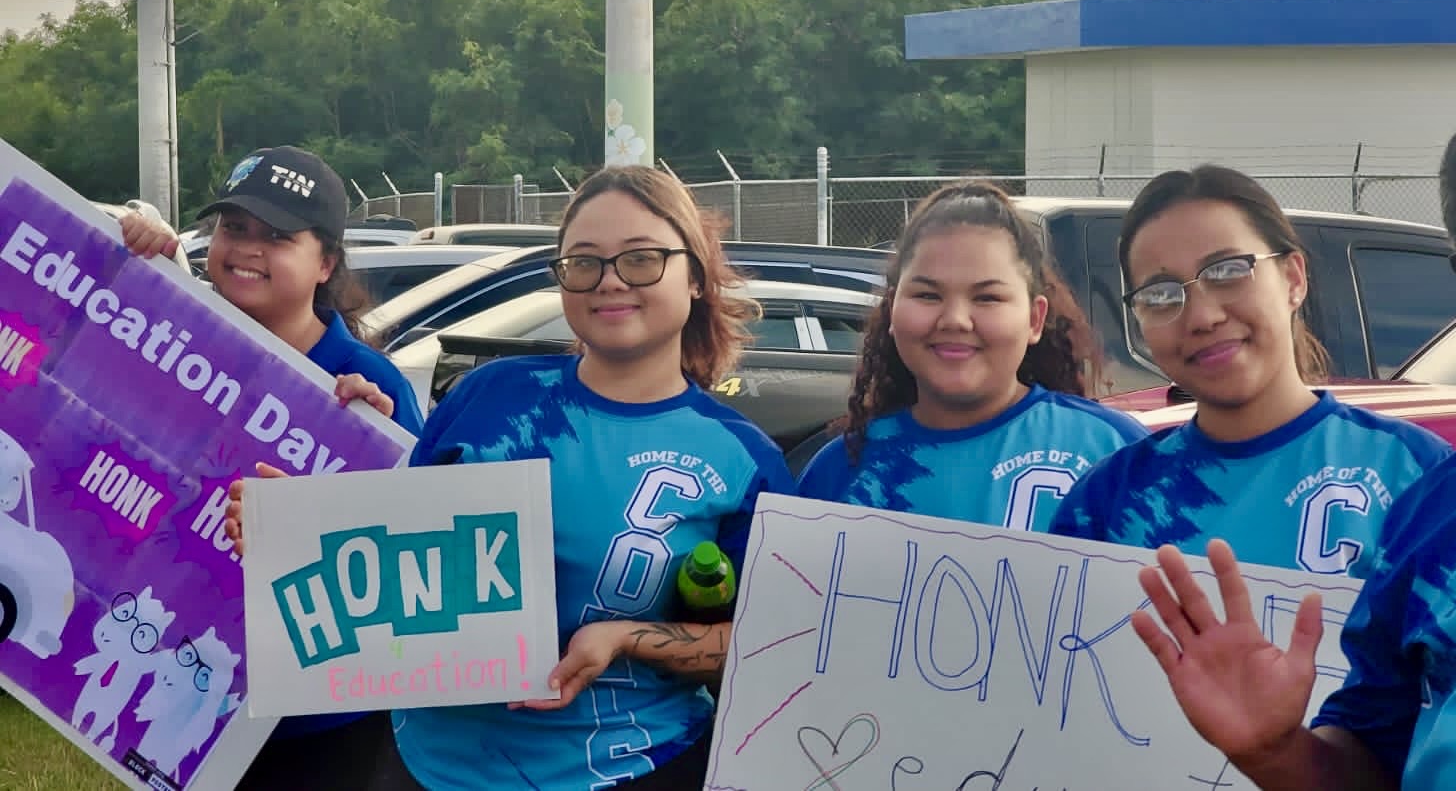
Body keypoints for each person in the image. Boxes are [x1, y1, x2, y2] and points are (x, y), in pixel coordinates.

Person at [230, 165, 793, 790]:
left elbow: (771, 647)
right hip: (427, 769)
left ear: (695, 276)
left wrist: (628, 638)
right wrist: (296, 524)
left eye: (641, 259)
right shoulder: (491, 395)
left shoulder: (741, 458)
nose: (609, 280)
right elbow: (400, 557)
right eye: (584, 262)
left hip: (629, 770)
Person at [1127, 80, 1456, 789]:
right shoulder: (1439, 509)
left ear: (1293, 279)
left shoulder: (1401, 462)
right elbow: (1370, 762)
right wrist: (1274, 751)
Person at [122, 145, 425, 790]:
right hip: (186, 684)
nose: (247, 249)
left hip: (324, 718)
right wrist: (128, 253)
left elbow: (419, 551)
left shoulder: (369, 390)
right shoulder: (174, 328)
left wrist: (361, 460)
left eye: (278, 236)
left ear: (326, 263)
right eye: (233, 227)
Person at [1048, 166, 1450, 578]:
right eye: (1160, 295)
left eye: (1228, 272)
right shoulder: (1106, 501)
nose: (1202, 317)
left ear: (1293, 279)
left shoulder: (1412, 471)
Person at [796, 181, 1147, 531]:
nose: (955, 320)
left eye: (987, 298)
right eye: (927, 295)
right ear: (892, 311)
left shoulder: (1116, 452)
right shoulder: (838, 471)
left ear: (1034, 320)